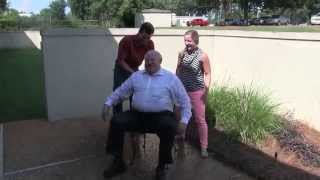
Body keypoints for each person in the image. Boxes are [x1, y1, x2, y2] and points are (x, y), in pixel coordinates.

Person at [102, 50, 192, 180]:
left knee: (169, 126)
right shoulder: (137, 76)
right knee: (117, 121)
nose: (149, 62)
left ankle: (161, 167)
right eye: (147, 60)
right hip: (138, 115)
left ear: (160, 62)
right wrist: (108, 103)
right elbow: (121, 91)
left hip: (161, 116)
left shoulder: (171, 78)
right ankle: (118, 162)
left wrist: (184, 120)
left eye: (152, 60)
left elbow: (185, 101)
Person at [111, 22, 155, 162]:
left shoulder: (149, 44)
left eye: (148, 38)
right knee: (118, 97)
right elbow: (121, 60)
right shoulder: (126, 41)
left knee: (135, 97)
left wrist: (151, 71)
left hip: (135, 69)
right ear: (139, 32)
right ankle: (117, 125)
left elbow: (151, 58)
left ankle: (134, 125)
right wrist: (133, 74)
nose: (146, 41)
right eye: (144, 37)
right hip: (121, 70)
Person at [176, 30, 211, 158]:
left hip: (197, 91)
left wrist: (206, 90)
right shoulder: (182, 54)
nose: (186, 43)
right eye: (185, 40)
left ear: (196, 40)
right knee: (180, 115)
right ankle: (181, 136)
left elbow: (207, 74)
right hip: (183, 91)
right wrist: (176, 85)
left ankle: (204, 147)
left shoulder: (203, 56)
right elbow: (178, 69)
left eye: (189, 41)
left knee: (200, 120)